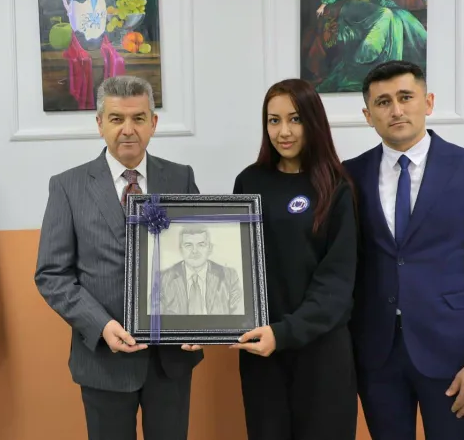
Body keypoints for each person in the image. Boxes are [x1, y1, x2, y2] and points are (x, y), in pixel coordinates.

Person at [344, 60, 464, 439]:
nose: (396, 110)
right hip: (375, 354)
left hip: (453, 355)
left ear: (429, 102)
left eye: (406, 97)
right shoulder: (349, 175)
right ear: (368, 115)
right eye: (383, 102)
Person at [34, 75, 203, 440]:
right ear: (100, 123)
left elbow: (200, 251)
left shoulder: (180, 178)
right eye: (116, 119)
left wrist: (200, 320)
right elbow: (52, 275)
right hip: (103, 360)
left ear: (153, 123)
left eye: (138, 118)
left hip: (171, 360)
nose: (128, 129)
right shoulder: (67, 186)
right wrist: (101, 325)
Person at [231, 78, 359, 439]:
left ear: (313, 122)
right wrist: (197, 322)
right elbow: (232, 264)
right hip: (262, 352)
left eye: (295, 119)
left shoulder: (337, 186)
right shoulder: (249, 182)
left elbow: (336, 282)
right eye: (274, 120)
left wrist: (284, 332)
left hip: (321, 352)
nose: (283, 131)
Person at [159, 225, 244, 315]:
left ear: (210, 248)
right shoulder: (163, 279)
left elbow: (240, 317)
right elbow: (154, 316)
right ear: (181, 249)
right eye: (188, 245)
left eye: (201, 245)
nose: (194, 251)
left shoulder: (229, 277)